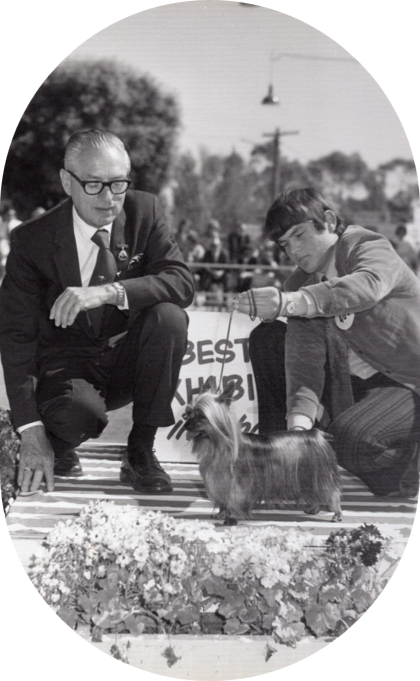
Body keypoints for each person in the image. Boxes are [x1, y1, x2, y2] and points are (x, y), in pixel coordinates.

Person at [0, 129, 194, 495]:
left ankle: (141, 451)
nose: (109, 199)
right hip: (66, 366)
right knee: (74, 416)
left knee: (169, 317)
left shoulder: (145, 211)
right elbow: (16, 337)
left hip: (126, 362)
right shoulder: (31, 240)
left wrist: (109, 292)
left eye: (118, 183)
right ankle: (61, 441)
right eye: (93, 184)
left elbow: (181, 282)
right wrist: (31, 430)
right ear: (66, 181)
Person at [233, 187, 420, 498]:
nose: (293, 250)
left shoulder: (366, 245)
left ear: (329, 221)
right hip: (358, 388)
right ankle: (282, 464)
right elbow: (303, 362)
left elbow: (368, 286)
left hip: (409, 384)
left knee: (351, 443)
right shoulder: (298, 282)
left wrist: (290, 303)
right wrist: (297, 433)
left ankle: (409, 466)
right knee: (269, 338)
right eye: (285, 244)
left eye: (299, 235)